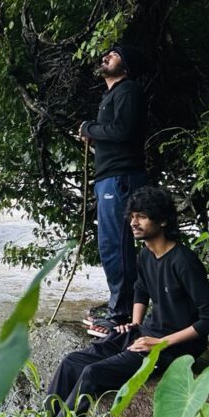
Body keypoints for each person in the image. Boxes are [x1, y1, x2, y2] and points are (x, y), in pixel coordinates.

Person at [45, 186, 209, 417]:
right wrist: (135, 323)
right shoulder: (145, 255)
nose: (133, 222)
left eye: (141, 216)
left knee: (93, 374)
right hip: (146, 333)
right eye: (132, 216)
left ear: (162, 221)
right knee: (72, 362)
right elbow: (141, 288)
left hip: (174, 348)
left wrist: (161, 343)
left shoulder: (183, 262)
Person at [79, 44, 148, 336]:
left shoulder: (127, 90)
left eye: (114, 54)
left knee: (116, 245)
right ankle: (120, 308)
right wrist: (93, 133)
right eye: (105, 54)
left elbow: (123, 131)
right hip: (111, 177)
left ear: (126, 65)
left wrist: (89, 129)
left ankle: (120, 316)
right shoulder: (111, 95)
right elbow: (116, 132)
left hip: (121, 177)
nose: (105, 57)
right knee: (111, 244)